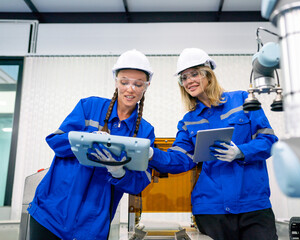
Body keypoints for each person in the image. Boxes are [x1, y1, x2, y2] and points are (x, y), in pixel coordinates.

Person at [148, 48, 278, 240]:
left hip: (253, 204)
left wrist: (241, 151)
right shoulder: (188, 121)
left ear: (209, 74)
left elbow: (269, 141)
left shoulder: (243, 100)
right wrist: (151, 154)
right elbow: (179, 159)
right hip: (211, 208)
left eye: (194, 74)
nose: (189, 81)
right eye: (183, 78)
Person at [27, 49, 155, 240]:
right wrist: (87, 139)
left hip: (92, 226)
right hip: (51, 213)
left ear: (146, 86)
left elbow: (141, 182)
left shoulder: (145, 131)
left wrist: (119, 172)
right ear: (116, 81)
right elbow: (56, 142)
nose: (130, 89)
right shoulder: (89, 107)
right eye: (124, 82)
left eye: (138, 84)